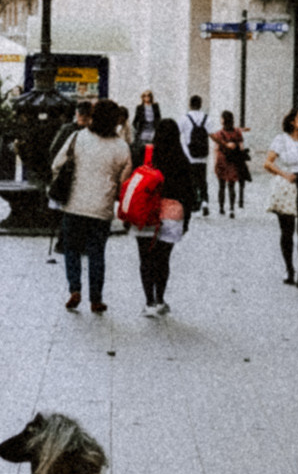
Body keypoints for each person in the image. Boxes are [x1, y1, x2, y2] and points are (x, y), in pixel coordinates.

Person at [52, 99, 128, 314]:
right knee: (97, 253)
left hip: (75, 204)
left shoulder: (78, 137)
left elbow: (56, 164)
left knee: (72, 249)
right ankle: (96, 298)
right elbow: (125, 177)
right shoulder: (121, 146)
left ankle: (75, 289)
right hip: (102, 208)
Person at [133, 116, 194, 315]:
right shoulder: (181, 159)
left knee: (145, 258)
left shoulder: (146, 154)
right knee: (163, 259)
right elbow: (189, 195)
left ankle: (148, 301)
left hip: (146, 212)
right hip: (172, 213)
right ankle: (160, 299)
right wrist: (186, 221)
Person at [263, 107, 298, 286]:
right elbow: (268, 163)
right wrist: (283, 174)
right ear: (292, 121)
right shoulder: (281, 139)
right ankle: (289, 269)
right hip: (288, 183)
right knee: (287, 230)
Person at [211, 110, 246, 216]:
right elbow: (241, 147)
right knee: (232, 185)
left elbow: (216, 148)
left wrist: (214, 163)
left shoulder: (219, 134)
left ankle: (221, 208)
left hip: (222, 159)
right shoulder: (237, 132)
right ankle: (231, 208)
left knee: (221, 185)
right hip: (233, 161)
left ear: (223, 120)